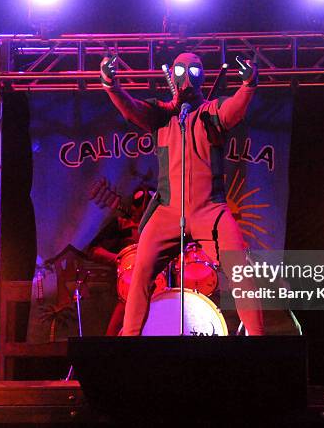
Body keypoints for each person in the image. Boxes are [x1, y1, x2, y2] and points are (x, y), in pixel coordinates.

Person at [100, 52, 267, 335]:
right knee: (140, 272)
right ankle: (128, 347)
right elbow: (131, 109)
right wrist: (110, 83)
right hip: (167, 210)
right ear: (173, 76)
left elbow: (235, 109)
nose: (186, 76)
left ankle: (260, 344)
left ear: (202, 75)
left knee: (241, 272)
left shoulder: (211, 113)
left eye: (193, 70)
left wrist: (248, 84)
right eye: (181, 71)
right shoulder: (162, 115)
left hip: (210, 210)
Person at [86, 180, 155, 335]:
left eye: (148, 205)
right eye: (139, 205)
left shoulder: (162, 226)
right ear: (132, 206)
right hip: (128, 287)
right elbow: (93, 249)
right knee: (115, 329)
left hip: (158, 285)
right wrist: (117, 258)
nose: (144, 209)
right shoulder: (121, 224)